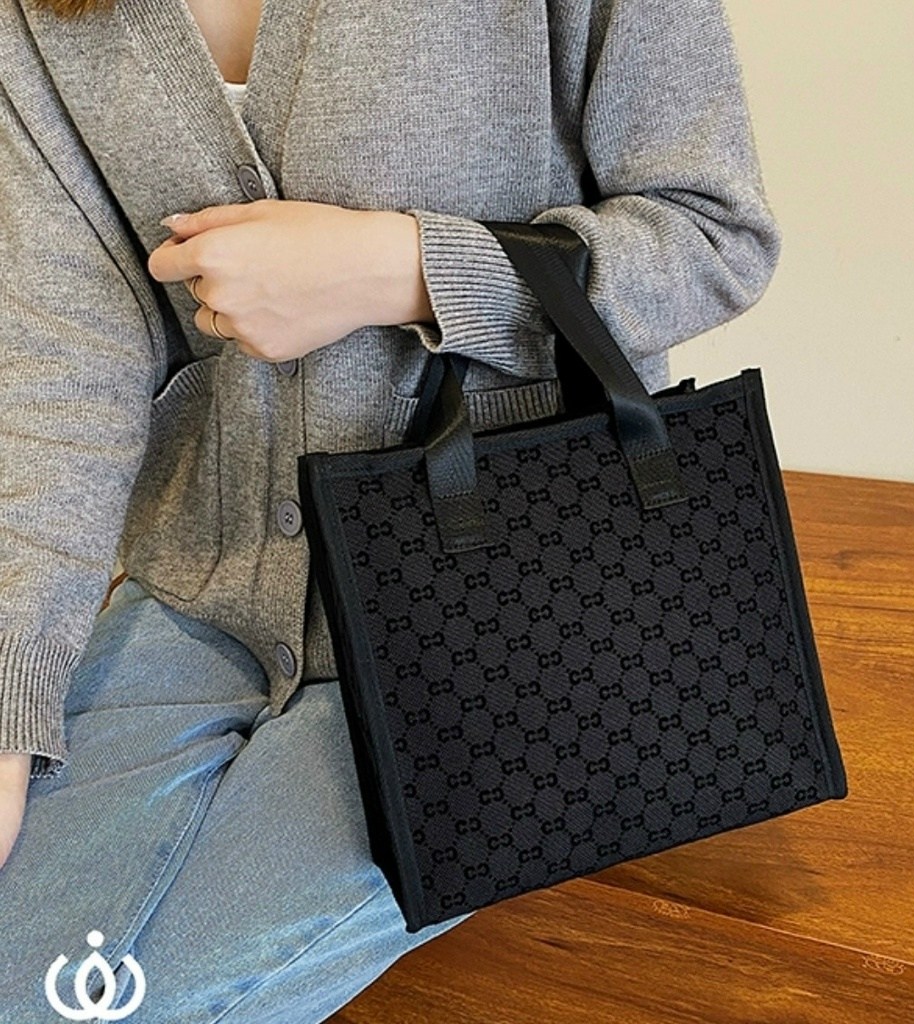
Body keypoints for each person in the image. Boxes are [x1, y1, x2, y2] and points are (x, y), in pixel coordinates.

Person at [0, 0, 781, 1019]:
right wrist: (9, 697)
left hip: (514, 606)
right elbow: (57, 374)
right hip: (199, 589)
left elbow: (715, 236)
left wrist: (399, 269)